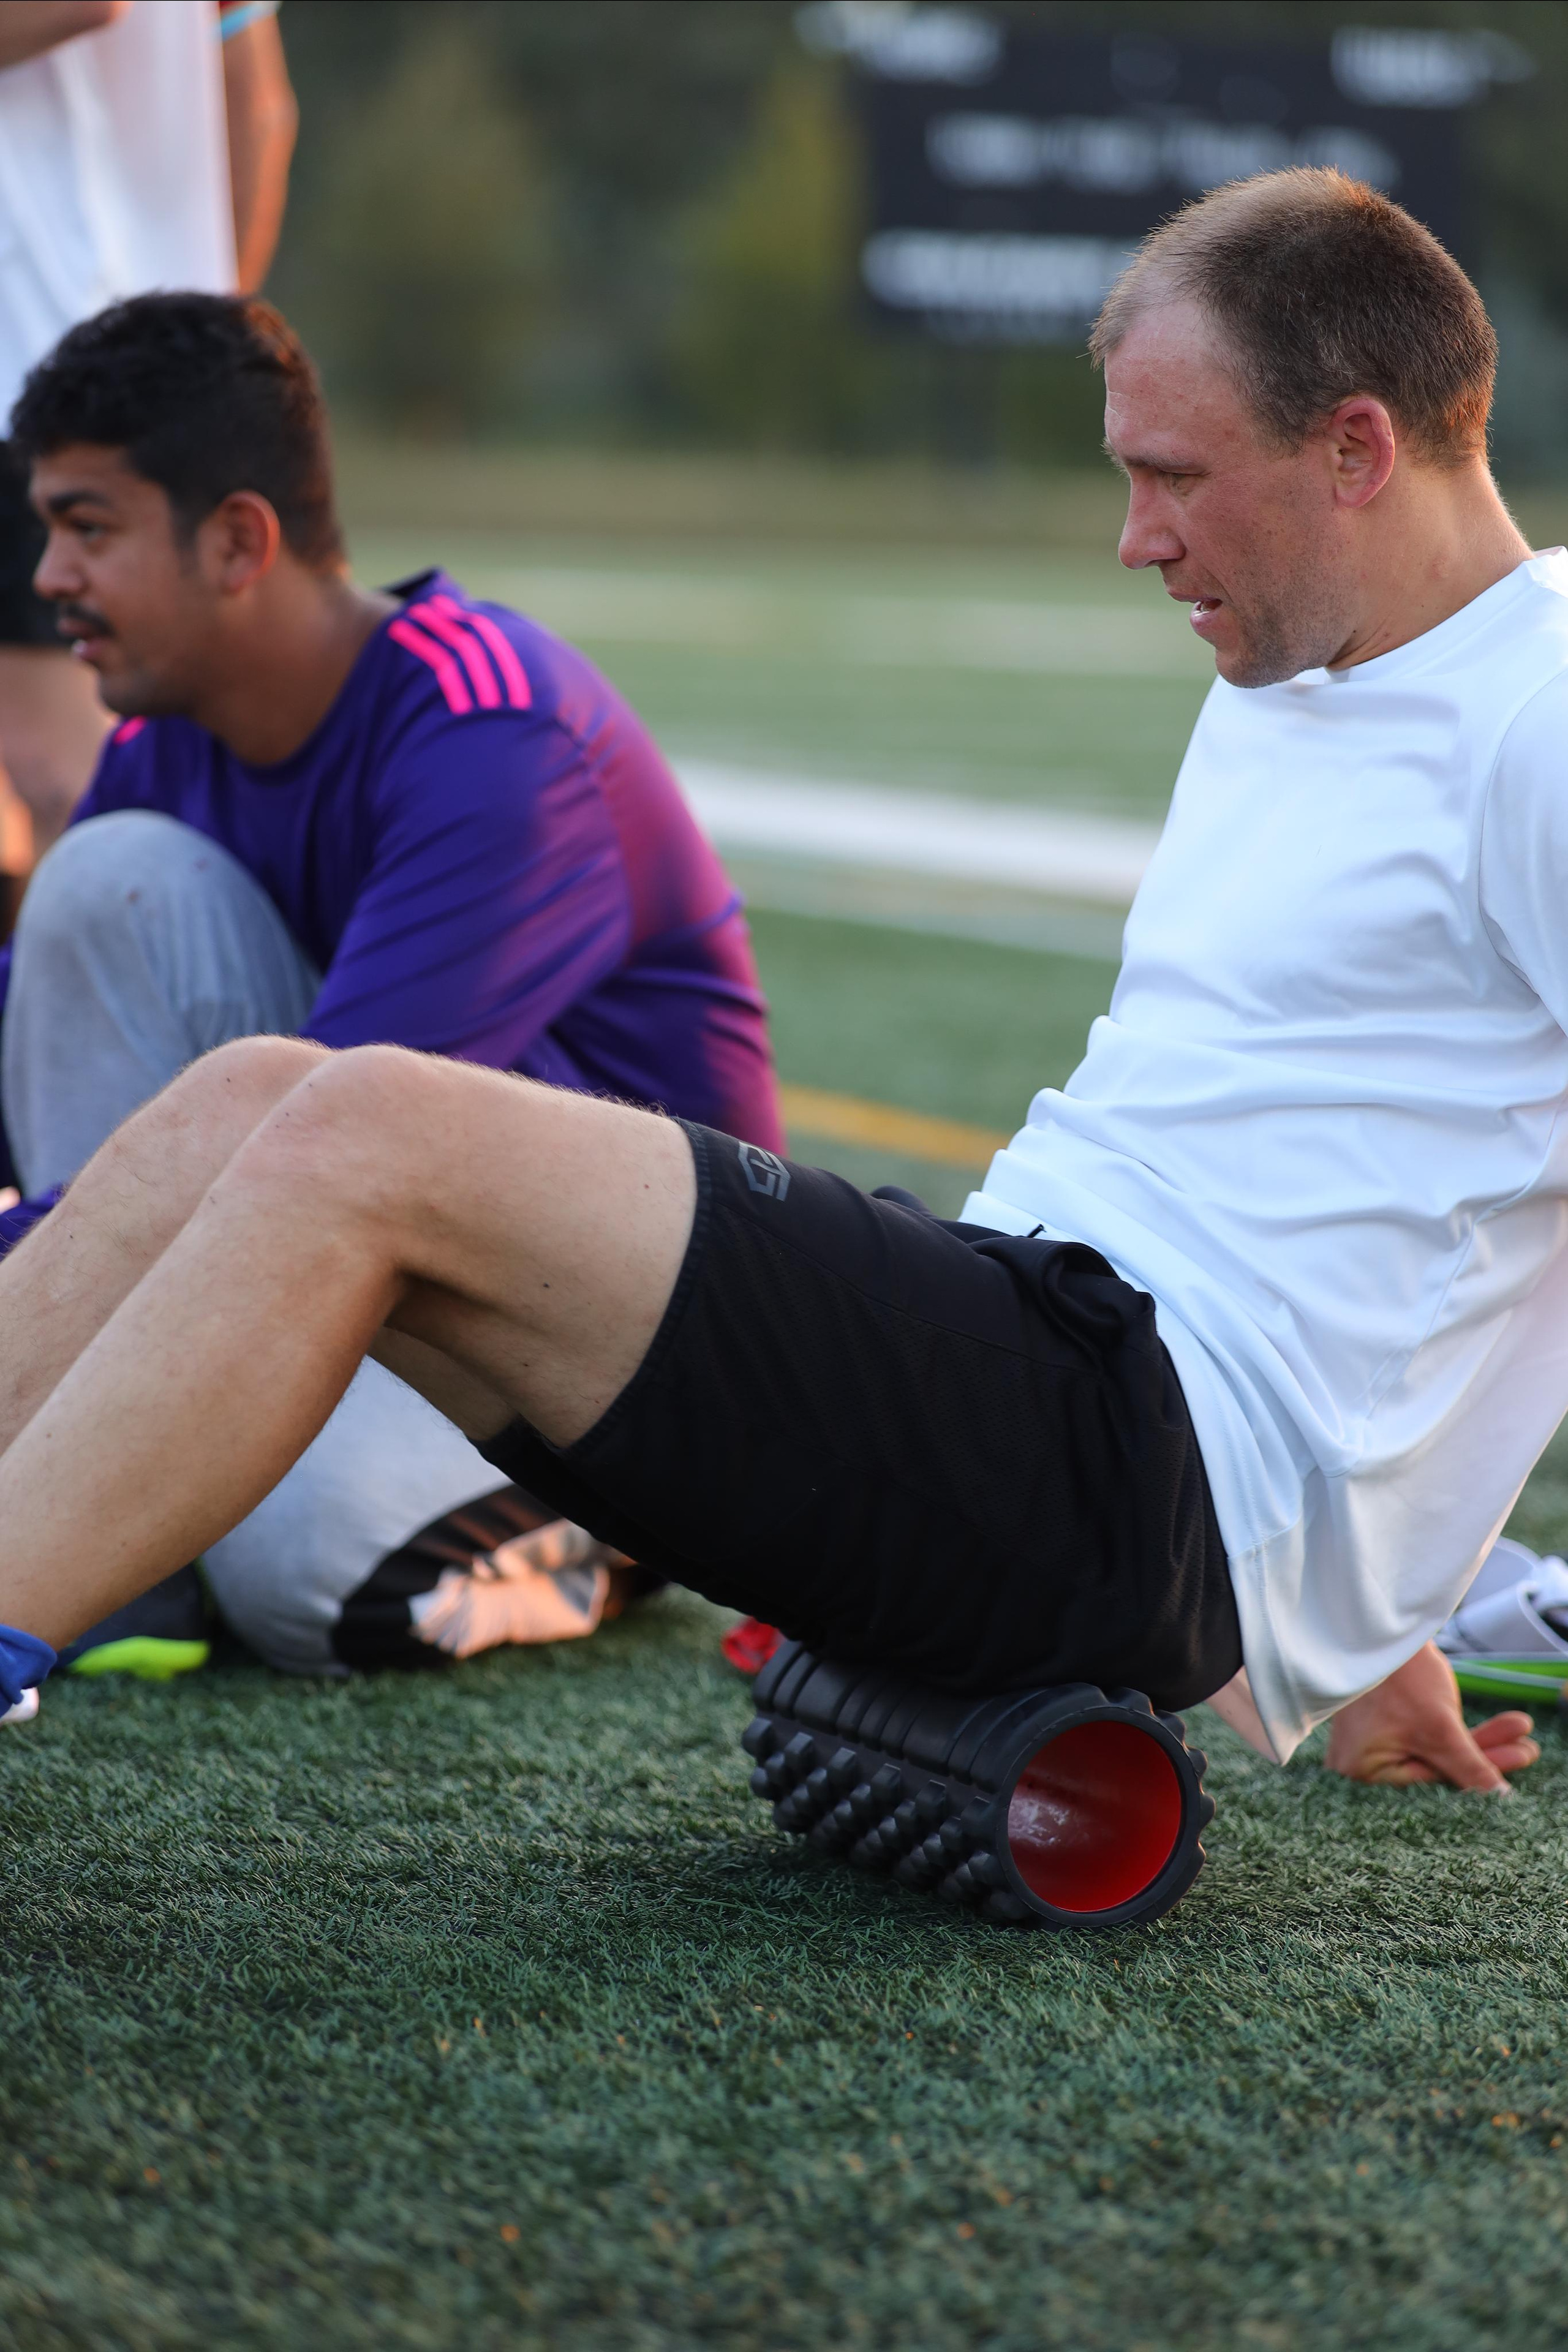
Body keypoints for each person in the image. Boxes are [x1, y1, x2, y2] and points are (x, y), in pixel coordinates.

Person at [0, 165, 1557, 1802]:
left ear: (1356, 451)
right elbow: (1367, 1172)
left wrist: (1344, 1567)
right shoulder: (1301, 666)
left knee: (359, 1127)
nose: (1134, 538)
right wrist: (1374, 1620)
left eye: (1174, 476)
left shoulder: (1535, 715)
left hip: (1125, 1448)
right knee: (260, 1099)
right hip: (1046, 1371)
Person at [0, 290, 782, 1698]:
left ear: (237, 541)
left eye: (88, 526)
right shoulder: (169, 733)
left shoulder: (495, 737)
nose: (49, 573)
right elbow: (37, 1042)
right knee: (108, 880)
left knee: (304, 1568)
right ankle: (127, 1543)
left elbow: (307, 1146)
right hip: (402, 1259)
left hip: (604, 1360)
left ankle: (611, 1534)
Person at [0, 0, 296, 901]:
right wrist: (204, 338)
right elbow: (259, 98)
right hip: (112, 352)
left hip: (35, 348)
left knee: (73, 788)